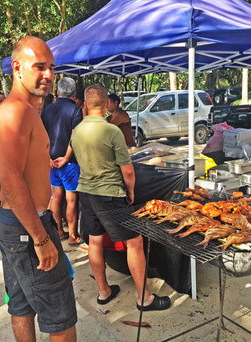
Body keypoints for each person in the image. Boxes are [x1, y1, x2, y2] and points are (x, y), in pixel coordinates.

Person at [0, 37, 77, 341]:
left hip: (14, 223)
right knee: (60, 316)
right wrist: (41, 239)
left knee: (21, 305)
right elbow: (11, 177)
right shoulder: (15, 111)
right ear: (17, 68)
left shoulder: (26, 109)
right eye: (39, 67)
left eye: (52, 68)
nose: (49, 75)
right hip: (27, 226)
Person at [70, 84, 171, 311]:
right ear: (107, 105)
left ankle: (104, 291)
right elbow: (127, 170)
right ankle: (144, 298)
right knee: (134, 242)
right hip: (110, 195)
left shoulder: (76, 131)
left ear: (85, 105)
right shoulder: (111, 131)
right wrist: (131, 191)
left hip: (86, 193)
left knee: (95, 241)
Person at [41, 77, 83, 245]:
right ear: (74, 94)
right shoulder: (75, 110)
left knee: (56, 196)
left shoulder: (47, 110)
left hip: (51, 162)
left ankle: (58, 231)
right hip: (69, 162)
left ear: (58, 92)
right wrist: (66, 158)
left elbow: (42, 137)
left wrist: (49, 158)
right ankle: (73, 235)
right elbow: (75, 137)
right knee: (71, 199)